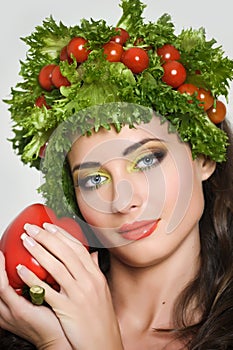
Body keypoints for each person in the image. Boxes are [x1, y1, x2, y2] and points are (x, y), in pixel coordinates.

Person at [0, 0, 233, 348]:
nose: (123, 201)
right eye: (94, 179)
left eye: (147, 160)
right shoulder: (24, 322)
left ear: (202, 159)